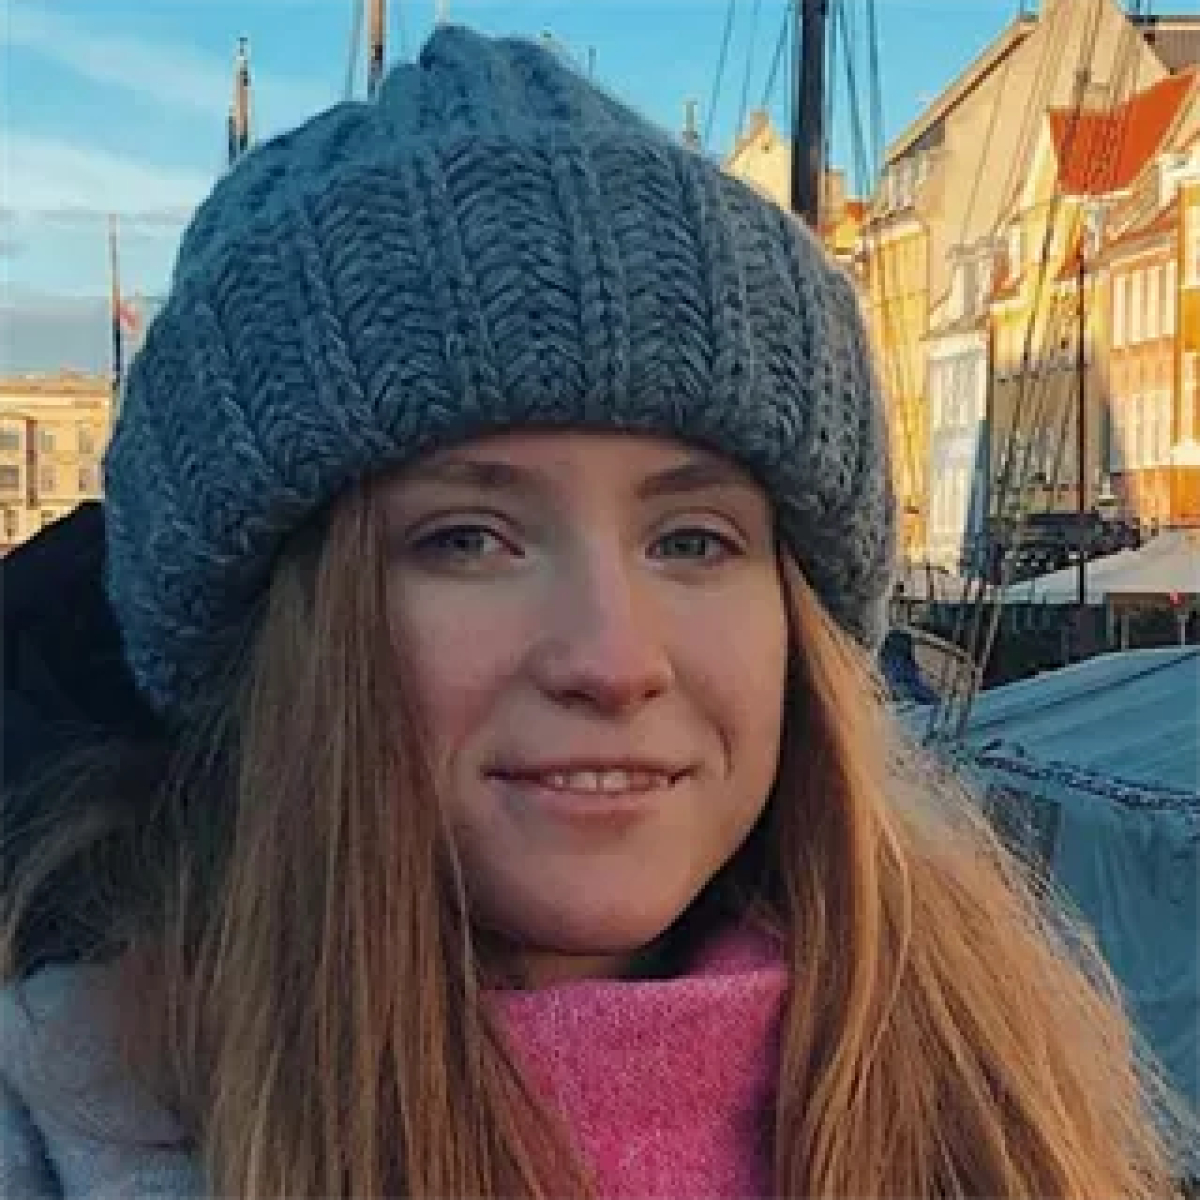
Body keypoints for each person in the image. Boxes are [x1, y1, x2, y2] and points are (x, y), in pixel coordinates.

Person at [0, 25, 1191, 1200]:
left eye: (693, 540)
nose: (614, 660)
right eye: (468, 540)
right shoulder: (61, 1131)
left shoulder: (1021, 1107)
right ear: (273, 636)